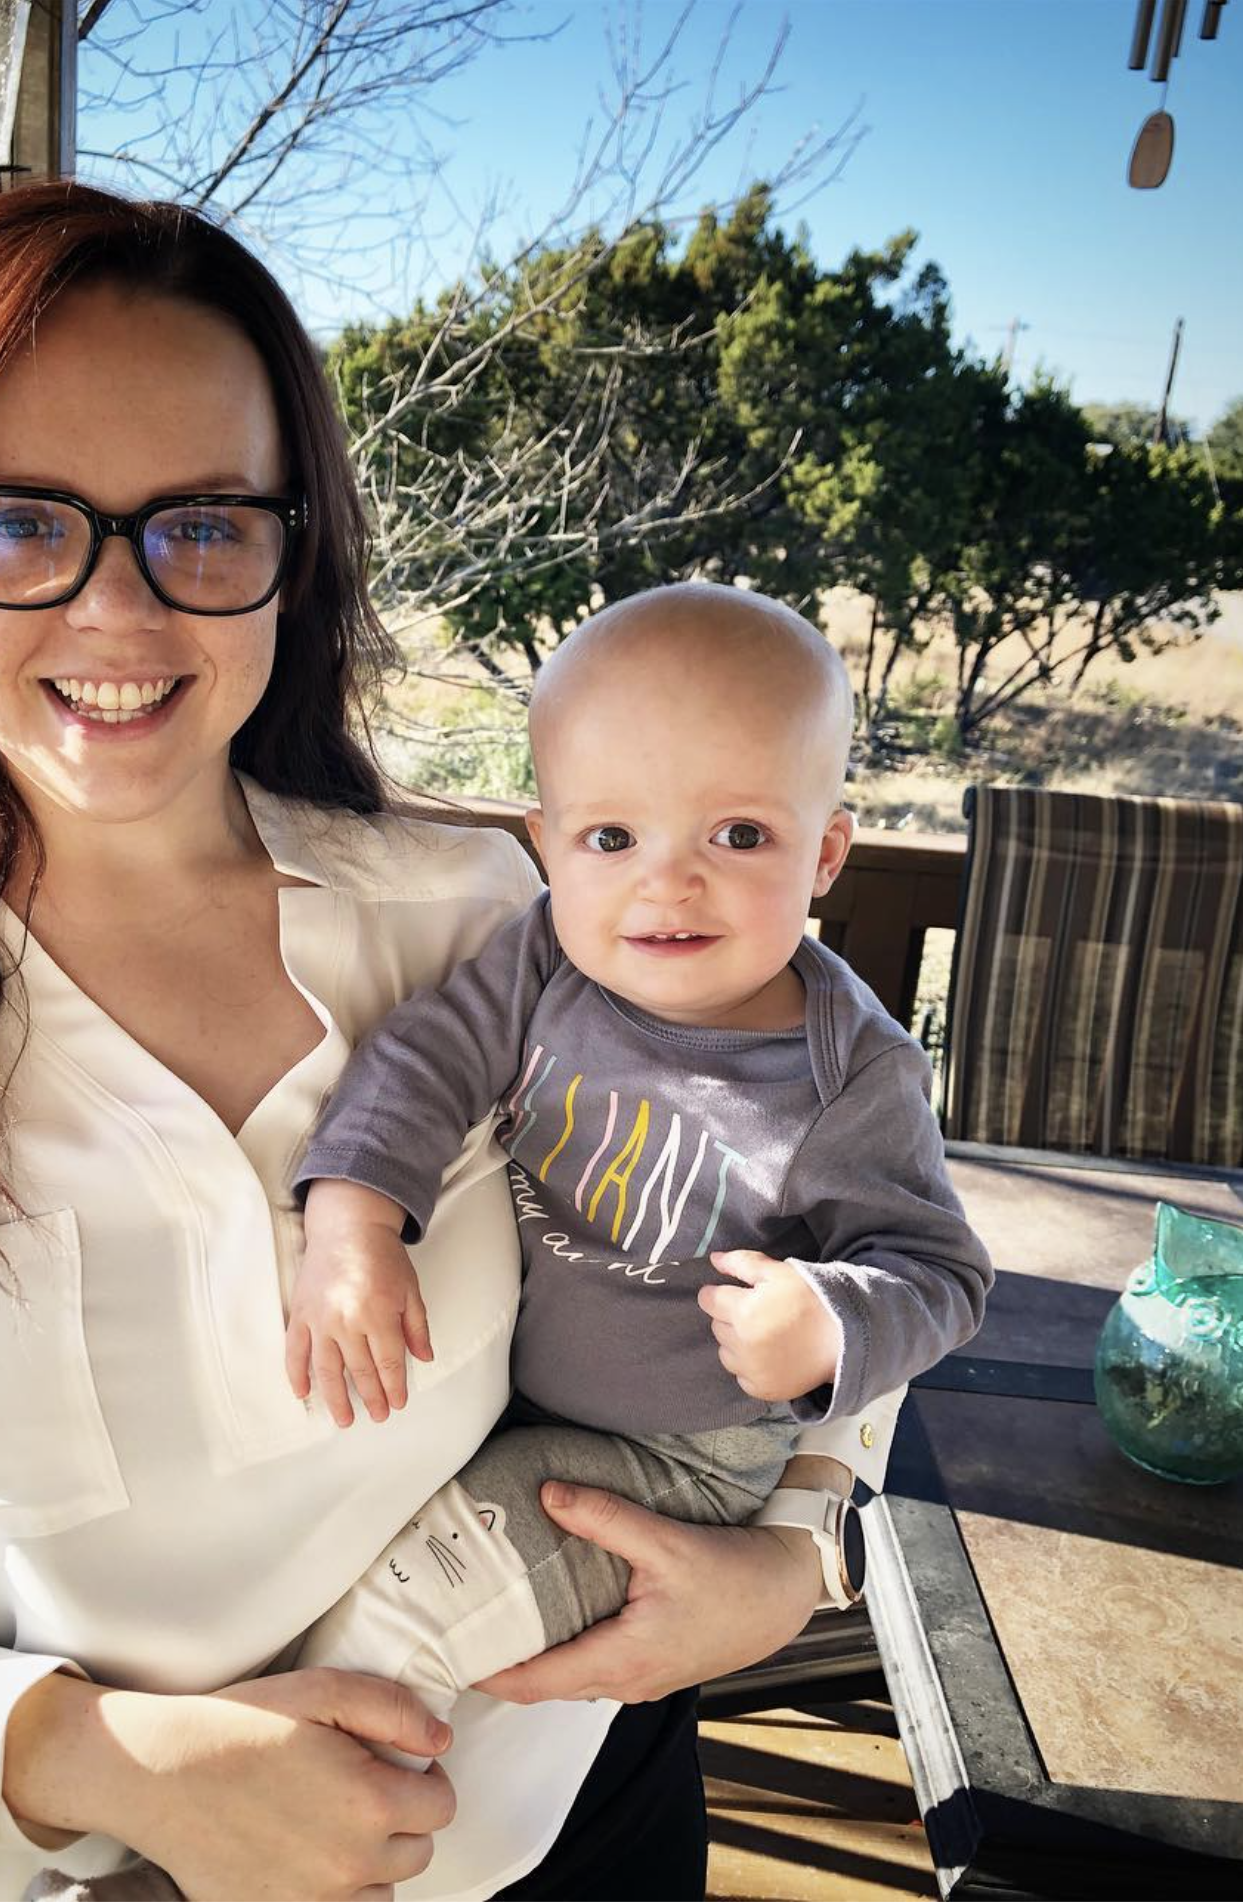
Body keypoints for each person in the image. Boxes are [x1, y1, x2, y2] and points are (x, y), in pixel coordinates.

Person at [0, 182, 890, 1902]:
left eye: (204, 525)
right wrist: (98, 1758)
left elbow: (836, 1178)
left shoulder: (479, 916)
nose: (119, 611)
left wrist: (797, 1544)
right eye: (19, 523)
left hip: (574, 1824)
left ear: (291, 556)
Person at [280, 585, 992, 1754]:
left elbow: (941, 1274)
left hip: (679, 1463)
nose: (669, 883)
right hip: (513, 1410)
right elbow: (423, 1062)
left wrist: (827, 1322)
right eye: (612, 839)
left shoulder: (848, 1074)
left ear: (826, 852)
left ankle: (275, 1814)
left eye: (739, 836)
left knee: (403, 1626)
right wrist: (353, 1223)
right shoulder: (547, 962)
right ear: (546, 842)